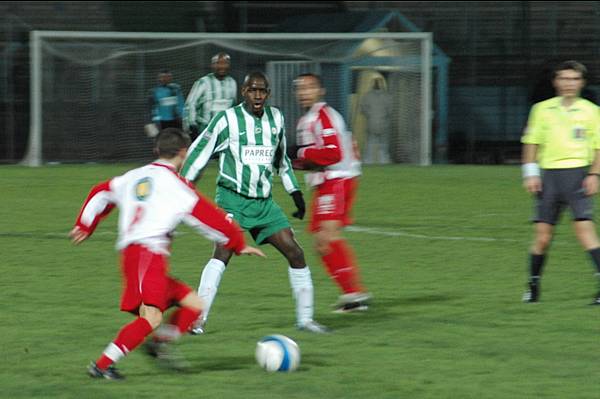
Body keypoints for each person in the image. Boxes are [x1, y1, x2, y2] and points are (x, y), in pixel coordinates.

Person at [69, 128, 264, 380]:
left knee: (194, 305)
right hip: (146, 256)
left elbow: (101, 192)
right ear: (183, 153)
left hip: (142, 258)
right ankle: (103, 365)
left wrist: (85, 224)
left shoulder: (133, 176)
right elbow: (208, 217)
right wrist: (237, 243)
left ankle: (158, 345)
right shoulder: (176, 185)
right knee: (151, 317)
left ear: (156, 151)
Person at [181, 71, 328, 334]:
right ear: (244, 92)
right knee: (223, 252)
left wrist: (294, 192)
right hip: (232, 200)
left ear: (268, 94)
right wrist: (182, 186)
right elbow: (199, 153)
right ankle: (198, 319)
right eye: (252, 90)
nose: (258, 95)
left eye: (262, 91)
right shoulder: (227, 120)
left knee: (295, 252)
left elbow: (281, 160)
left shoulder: (276, 118)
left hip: (263, 204)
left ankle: (305, 320)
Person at [521, 60, 600, 304]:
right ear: (556, 81)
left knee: (585, 231)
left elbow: (599, 147)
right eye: (564, 78)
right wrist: (530, 173)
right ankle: (533, 285)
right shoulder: (542, 109)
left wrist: (595, 175)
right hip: (549, 179)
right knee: (542, 237)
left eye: (574, 79)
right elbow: (531, 142)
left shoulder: (591, 111)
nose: (569, 83)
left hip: (577, 176)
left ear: (581, 83)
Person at [293, 72, 370, 313]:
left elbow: (333, 153)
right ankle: (353, 294)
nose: (304, 92)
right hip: (331, 180)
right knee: (322, 242)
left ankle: (353, 296)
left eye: (309, 87)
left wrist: (300, 155)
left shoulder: (321, 116)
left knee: (326, 238)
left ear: (321, 90)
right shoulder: (312, 118)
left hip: (336, 179)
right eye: (300, 88)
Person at [183, 53, 237, 140]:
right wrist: (192, 126)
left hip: (224, 131)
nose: (222, 66)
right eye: (218, 63)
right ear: (212, 65)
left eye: (225, 63)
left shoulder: (232, 82)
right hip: (205, 130)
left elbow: (233, 106)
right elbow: (190, 104)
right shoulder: (203, 82)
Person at [360, 77, 393, 164]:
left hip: (371, 124)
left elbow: (363, 109)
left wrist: (370, 115)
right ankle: (384, 163)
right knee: (383, 146)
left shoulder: (367, 96)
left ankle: (368, 162)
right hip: (384, 125)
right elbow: (390, 111)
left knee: (370, 146)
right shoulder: (387, 96)